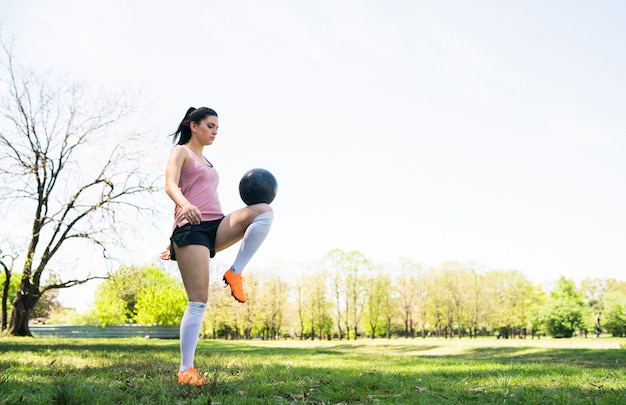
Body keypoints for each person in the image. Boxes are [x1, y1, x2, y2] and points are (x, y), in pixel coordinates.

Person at [161, 107, 274, 386]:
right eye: (210, 126)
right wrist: (184, 206)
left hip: (215, 225)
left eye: (217, 128)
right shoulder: (181, 152)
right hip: (191, 229)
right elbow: (170, 185)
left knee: (263, 211)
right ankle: (186, 370)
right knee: (198, 301)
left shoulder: (207, 161)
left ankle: (235, 272)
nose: (214, 131)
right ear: (194, 126)